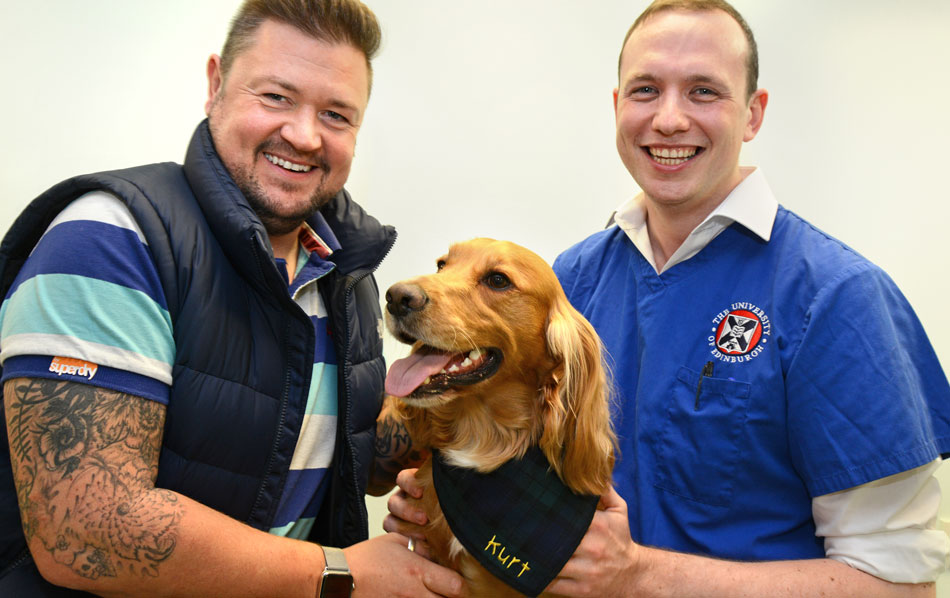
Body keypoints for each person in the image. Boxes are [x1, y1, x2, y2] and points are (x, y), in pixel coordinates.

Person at [386, 1, 950, 596]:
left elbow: (896, 583)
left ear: (753, 113)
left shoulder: (836, 297)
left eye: (704, 91)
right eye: (646, 90)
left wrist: (639, 576)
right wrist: (450, 515)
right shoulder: (569, 279)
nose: (670, 119)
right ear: (617, 106)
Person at [0, 1, 464, 596]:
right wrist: (341, 574)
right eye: (275, 97)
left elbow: (365, 460)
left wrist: (490, 392)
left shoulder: (343, 273)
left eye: (336, 114)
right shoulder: (111, 238)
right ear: (216, 84)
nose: (303, 134)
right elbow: (84, 534)